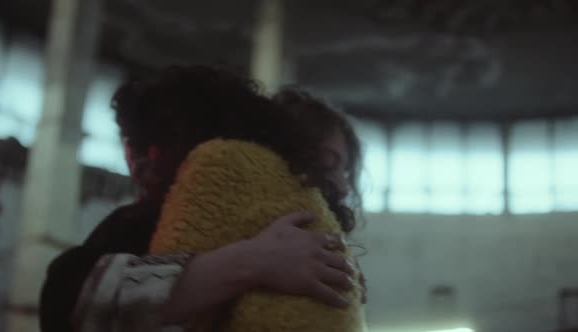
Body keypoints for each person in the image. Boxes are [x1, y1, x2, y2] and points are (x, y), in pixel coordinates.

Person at [39, 65, 363, 331]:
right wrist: (252, 261)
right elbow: (68, 297)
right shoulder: (148, 223)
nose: (342, 186)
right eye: (330, 163)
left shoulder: (288, 223)